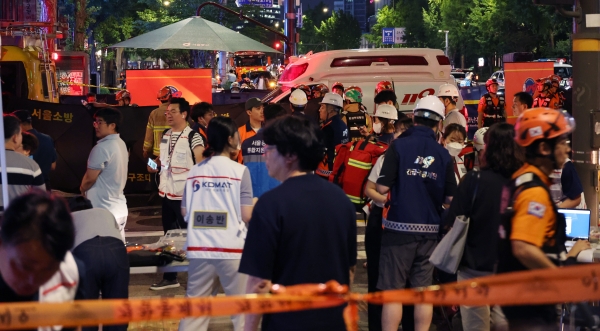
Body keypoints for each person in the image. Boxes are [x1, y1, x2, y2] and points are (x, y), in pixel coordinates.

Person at [240, 115, 357, 331]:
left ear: (291, 155)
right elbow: (349, 270)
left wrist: (249, 328)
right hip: (333, 321)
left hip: (286, 322)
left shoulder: (270, 205)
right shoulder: (342, 201)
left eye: (270, 148)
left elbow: (259, 282)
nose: (265, 154)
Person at [497, 107, 590, 330]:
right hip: (533, 307)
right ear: (543, 148)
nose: (567, 149)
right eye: (562, 143)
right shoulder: (534, 192)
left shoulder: (524, 180)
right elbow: (522, 247)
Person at [376, 95, 457, 331]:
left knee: (393, 292)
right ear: (439, 124)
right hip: (430, 232)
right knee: (423, 294)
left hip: (398, 230)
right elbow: (451, 198)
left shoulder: (398, 146)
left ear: (414, 117)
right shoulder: (442, 154)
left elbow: (381, 187)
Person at [444, 123, 524, 331]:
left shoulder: (474, 180)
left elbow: (452, 220)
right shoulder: (523, 183)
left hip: (474, 268)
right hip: (511, 269)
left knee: (476, 326)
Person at [179, 116, 254, 331]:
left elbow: (185, 211)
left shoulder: (194, 172)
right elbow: (246, 215)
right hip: (232, 250)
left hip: (199, 249)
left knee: (194, 311)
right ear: (230, 139)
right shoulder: (239, 171)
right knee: (241, 312)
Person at [148, 97, 204, 290]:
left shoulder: (193, 137)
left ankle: (198, 278)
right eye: (167, 111)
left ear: (184, 114)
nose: (168, 114)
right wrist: (151, 166)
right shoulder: (165, 135)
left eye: (172, 111)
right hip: (166, 195)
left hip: (186, 198)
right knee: (169, 237)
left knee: (192, 237)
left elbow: (202, 165)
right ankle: (170, 277)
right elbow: (158, 160)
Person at [0, 191, 74, 302]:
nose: (33, 280)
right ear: (1, 242)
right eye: (25, 266)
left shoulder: (69, 274)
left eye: (48, 270)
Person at [69, 196, 128, 331]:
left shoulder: (69, 218)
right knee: (117, 313)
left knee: (88, 314)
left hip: (85, 253)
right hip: (117, 251)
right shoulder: (104, 213)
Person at [80, 107, 128, 241]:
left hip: (103, 209)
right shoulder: (121, 144)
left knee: (102, 253)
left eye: (100, 122)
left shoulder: (101, 148)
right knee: (117, 251)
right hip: (118, 207)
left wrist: (82, 189)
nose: (96, 126)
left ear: (112, 125)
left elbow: (90, 178)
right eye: (95, 122)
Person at [241, 104, 287, 198]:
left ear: (264, 119)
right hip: (278, 198)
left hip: (252, 199)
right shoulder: (285, 144)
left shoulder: (247, 143)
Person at [0, 114, 46, 208]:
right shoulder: (32, 166)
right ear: (15, 138)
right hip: (17, 220)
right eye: (21, 133)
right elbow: (41, 199)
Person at [11, 109, 57, 190]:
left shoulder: (17, 140)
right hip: (44, 186)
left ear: (18, 124)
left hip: (24, 186)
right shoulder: (48, 139)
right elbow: (53, 166)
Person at [315, 92, 348, 179]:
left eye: (322, 107)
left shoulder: (328, 128)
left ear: (330, 110)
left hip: (326, 174)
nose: (319, 110)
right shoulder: (342, 125)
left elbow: (320, 151)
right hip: (340, 170)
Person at [143, 86, 179, 160]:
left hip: (157, 153)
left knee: (157, 170)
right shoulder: (177, 111)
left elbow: (149, 134)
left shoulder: (154, 113)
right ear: (170, 97)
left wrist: (146, 149)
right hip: (174, 152)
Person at [237, 98, 264, 163]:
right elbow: (234, 154)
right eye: (258, 108)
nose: (262, 111)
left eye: (263, 108)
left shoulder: (269, 131)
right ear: (249, 112)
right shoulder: (240, 132)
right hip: (246, 171)